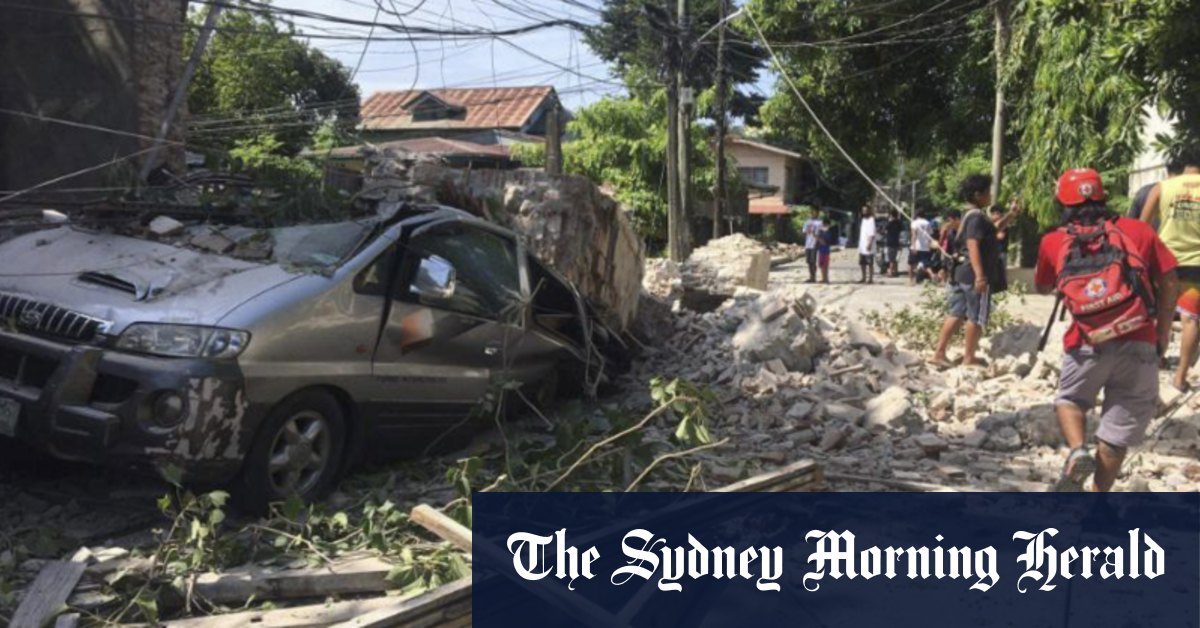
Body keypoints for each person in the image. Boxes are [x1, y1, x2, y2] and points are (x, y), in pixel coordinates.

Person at [1036, 168, 1178, 492]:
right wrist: (1162, 333)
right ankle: (1098, 502)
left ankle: (1077, 450)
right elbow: (1170, 280)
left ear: (1062, 201)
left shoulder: (1053, 240)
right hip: (1139, 337)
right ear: (1103, 196)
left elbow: (1043, 286)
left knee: (1070, 400)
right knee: (1117, 430)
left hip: (1086, 339)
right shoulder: (1138, 232)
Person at [1139, 151, 1200, 391]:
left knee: (1160, 314)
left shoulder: (1162, 187)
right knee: (1191, 319)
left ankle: (1156, 364)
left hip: (1165, 262)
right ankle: (1180, 377)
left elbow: (1142, 227)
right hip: (1197, 263)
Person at [931, 175, 1004, 368]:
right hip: (973, 275)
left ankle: (939, 353)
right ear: (978, 195)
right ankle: (969, 357)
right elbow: (973, 244)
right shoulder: (977, 217)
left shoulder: (969, 215)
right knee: (975, 316)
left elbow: (991, 231)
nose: (990, 195)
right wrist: (980, 276)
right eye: (988, 192)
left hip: (961, 273)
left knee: (956, 312)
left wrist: (1010, 216)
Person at [908, 210, 934, 285]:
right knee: (926, 264)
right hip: (925, 247)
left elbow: (914, 235)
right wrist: (929, 246)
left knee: (911, 264)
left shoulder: (914, 223)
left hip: (916, 246)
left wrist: (914, 246)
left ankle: (911, 280)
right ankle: (932, 275)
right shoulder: (928, 223)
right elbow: (929, 235)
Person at [802, 209, 825, 283]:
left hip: (814, 243)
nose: (813, 214)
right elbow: (804, 232)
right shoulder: (807, 221)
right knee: (809, 261)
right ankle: (811, 276)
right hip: (808, 244)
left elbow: (821, 232)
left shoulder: (820, 222)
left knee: (813, 261)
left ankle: (813, 277)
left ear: (818, 214)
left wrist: (819, 241)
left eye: (815, 213)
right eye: (812, 213)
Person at [857, 205, 877, 284]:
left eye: (865, 210)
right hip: (862, 245)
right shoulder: (863, 220)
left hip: (869, 245)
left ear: (869, 211)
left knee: (870, 263)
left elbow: (872, 233)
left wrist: (869, 243)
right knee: (862, 263)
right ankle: (863, 277)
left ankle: (870, 279)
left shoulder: (871, 220)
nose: (864, 212)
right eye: (863, 210)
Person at [884, 209, 903, 277]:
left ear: (891, 215)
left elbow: (885, 230)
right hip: (896, 241)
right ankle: (895, 271)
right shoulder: (899, 223)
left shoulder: (890, 223)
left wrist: (889, 221)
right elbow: (901, 229)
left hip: (890, 242)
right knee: (895, 257)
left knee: (891, 258)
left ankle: (891, 272)